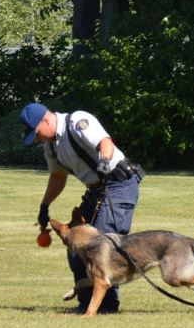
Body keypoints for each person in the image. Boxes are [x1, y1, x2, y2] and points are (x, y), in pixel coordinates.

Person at [21, 102, 144, 313]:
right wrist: (44, 206)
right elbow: (58, 177)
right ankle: (86, 303)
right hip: (96, 190)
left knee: (102, 246)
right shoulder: (51, 147)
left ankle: (106, 306)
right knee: (74, 243)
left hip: (118, 184)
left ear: (46, 120)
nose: (37, 138)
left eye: (37, 133)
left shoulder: (77, 121)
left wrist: (104, 161)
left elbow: (105, 142)